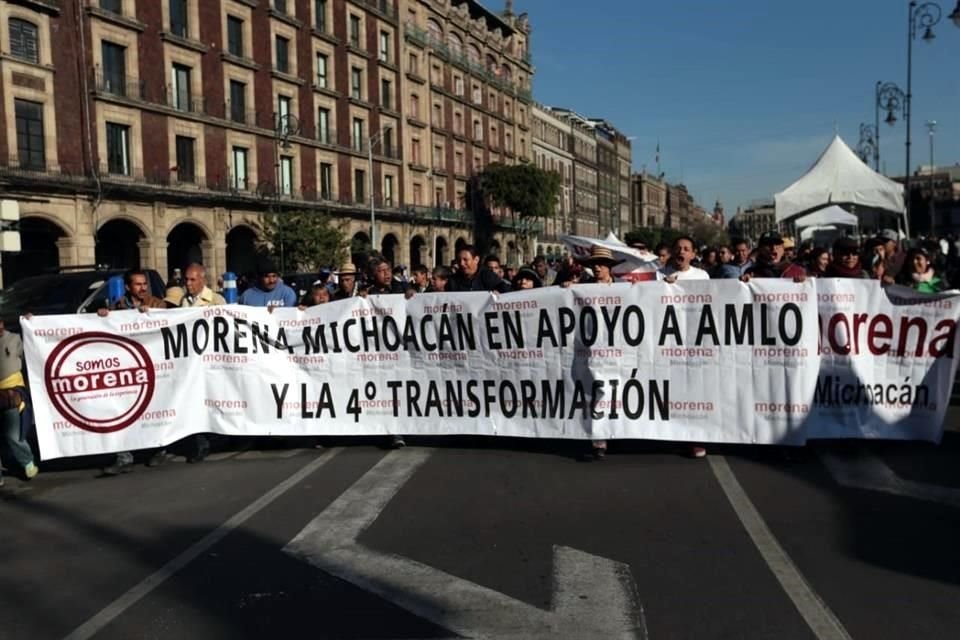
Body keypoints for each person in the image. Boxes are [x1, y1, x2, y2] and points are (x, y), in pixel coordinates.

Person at [97, 269, 174, 475]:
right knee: (123, 410)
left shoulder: (157, 303)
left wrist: (154, 315)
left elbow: (170, 323)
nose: (143, 288)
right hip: (128, 367)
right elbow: (105, 329)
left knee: (154, 408)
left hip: (154, 366)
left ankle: (159, 448)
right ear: (129, 287)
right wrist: (103, 316)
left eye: (145, 284)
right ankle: (124, 457)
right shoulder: (118, 306)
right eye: (138, 284)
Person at [573, 245, 624, 461]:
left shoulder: (624, 288)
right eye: (594, 265)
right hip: (591, 348)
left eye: (601, 264)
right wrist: (566, 288)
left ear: (610, 267)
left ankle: (617, 430)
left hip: (618, 347)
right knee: (594, 388)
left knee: (615, 389)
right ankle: (599, 437)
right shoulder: (583, 288)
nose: (597, 268)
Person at [179, 263, 226, 462]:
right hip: (191, 362)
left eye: (192, 279)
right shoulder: (184, 301)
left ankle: (214, 438)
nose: (188, 284)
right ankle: (200, 443)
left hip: (211, 361)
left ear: (203, 280)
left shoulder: (216, 300)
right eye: (186, 280)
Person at [0, 318, 37, 487]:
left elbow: (32, 354)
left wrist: (32, 322)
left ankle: (27, 461)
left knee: (12, 434)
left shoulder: (14, 338)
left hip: (11, 393)